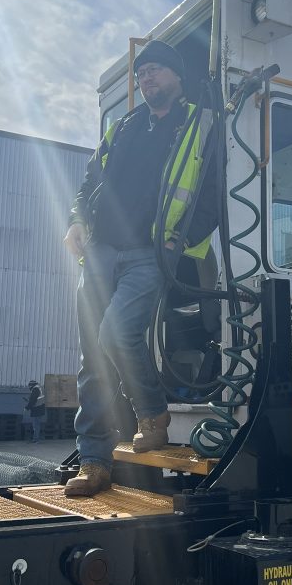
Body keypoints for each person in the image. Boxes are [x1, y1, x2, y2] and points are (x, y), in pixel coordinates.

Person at [62, 41, 218, 498]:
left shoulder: (199, 125)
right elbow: (90, 181)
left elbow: (213, 193)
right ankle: (94, 461)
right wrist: (75, 221)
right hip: (102, 250)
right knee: (93, 356)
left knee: (115, 334)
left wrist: (181, 240)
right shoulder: (125, 126)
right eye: (142, 73)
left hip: (151, 252)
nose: (146, 80)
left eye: (155, 72)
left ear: (176, 76)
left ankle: (151, 412)